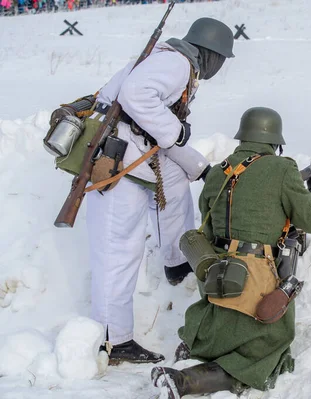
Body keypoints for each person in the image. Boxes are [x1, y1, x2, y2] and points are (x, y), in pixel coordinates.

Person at [150, 107, 311, 396]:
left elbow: (207, 228)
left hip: (217, 280)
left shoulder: (219, 171)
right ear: (274, 140)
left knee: (217, 327)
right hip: (256, 283)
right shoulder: (283, 168)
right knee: (266, 350)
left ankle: (200, 348)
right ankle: (183, 382)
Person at [87, 17, 235, 364]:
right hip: (115, 164)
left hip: (130, 155)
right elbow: (137, 97)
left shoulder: (170, 60)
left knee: (174, 181)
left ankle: (177, 259)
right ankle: (112, 339)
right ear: (211, 54)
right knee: (118, 250)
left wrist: (199, 167)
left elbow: (155, 131)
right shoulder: (176, 63)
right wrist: (175, 131)